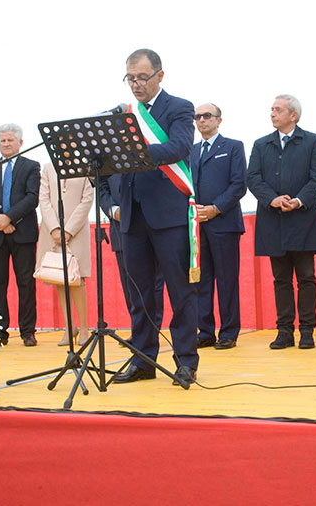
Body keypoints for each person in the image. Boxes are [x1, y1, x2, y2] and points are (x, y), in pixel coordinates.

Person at [110, 49, 199, 385]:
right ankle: (143, 360)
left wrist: (133, 153)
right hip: (132, 216)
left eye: (141, 77)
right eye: (129, 78)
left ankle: (186, 361)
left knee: (181, 292)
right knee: (141, 295)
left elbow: (178, 147)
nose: (135, 84)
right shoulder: (124, 114)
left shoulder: (178, 107)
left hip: (169, 214)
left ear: (159, 76)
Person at [247, 94, 316, 350]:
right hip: (273, 220)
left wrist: (300, 200)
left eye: (278, 110)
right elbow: (253, 178)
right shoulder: (261, 145)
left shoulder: (312, 141)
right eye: (271, 109)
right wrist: (272, 199)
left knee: (306, 277)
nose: (272, 114)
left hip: (302, 219)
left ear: (293, 115)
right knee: (280, 279)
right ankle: (284, 330)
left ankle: (307, 331)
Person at [0, 124, 41, 347]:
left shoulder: (31, 166)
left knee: (26, 283)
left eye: (10, 140)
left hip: (23, 232)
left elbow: (32, 198)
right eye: (2, 140)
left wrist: (10, 218)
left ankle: (28, 331)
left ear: (20, 143)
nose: (6, 144)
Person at [191, 103, 247, 350]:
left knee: (226, 280)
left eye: (207, 116)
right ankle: (205, 331)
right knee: (200, 281)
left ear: (219, 120)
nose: (202, 120)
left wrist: (214, 208)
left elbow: (238, 185)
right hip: (196, 224)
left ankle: (229, 331)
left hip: (223, 223)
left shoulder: (233, 147)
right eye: (198, 117)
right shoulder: (190, 151)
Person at [98, 173, 165, 336]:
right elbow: (102, 188)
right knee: (129, 284)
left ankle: (151, 330)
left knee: (153, 282)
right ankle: (139, 330)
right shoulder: (109, 154)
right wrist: (113, 211)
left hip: (149, 224)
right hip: (120, 227)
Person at [36, 162, 94, 346]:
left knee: (77, 279)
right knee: (59, 279)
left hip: (76, 231)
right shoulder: (48, 168)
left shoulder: (85, 167)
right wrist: (54, 228)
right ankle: (69, 328)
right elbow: (43, 199)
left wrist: (68, 230)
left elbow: (87, 200)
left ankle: (84, 329)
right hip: (51, 230)